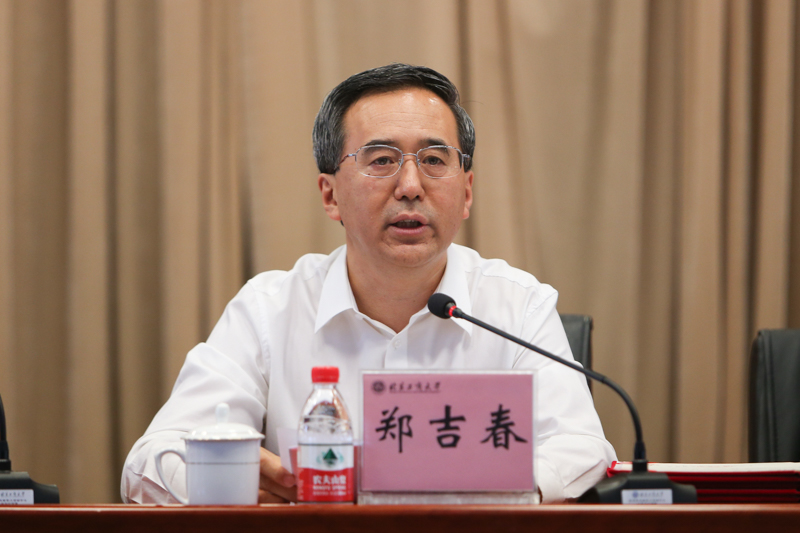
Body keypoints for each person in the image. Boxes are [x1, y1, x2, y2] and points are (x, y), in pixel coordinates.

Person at [121, 63, 616, 504]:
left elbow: (582, 449)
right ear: (330, 194)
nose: (410, 186)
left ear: (466, 192)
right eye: (380, 160)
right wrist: (230, 480)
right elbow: (150, 462)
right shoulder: (270, 309)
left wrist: (487, 489)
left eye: (434, 159)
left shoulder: (517, 305)